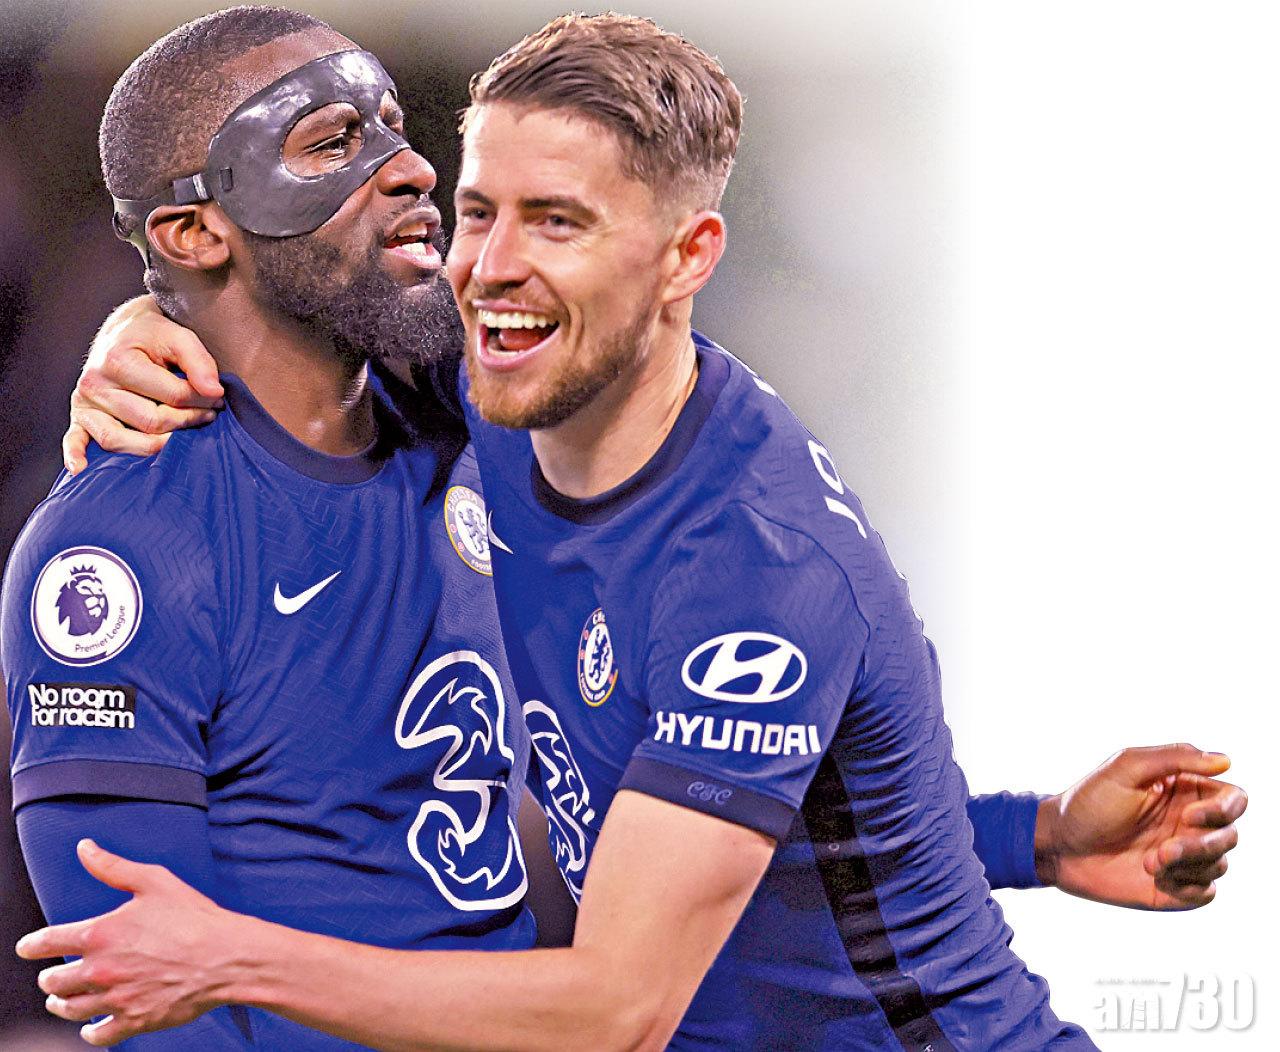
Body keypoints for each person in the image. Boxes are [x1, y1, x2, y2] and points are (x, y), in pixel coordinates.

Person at [22, 12, 1246, 1052]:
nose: (482, 254)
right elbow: (775, 824)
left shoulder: (753, 562)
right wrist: (1032, 834)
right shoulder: (484, 410)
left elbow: (614, 1002)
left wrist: (233, 955)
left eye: (558, 222)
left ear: (685, 258)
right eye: (481, 209)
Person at [0, 8, 535, 1049]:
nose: (413, 170)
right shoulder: (126, 547)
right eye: (332, 142)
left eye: (394, 130)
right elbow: (145, 992)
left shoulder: (476, 433)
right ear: (195, 231)